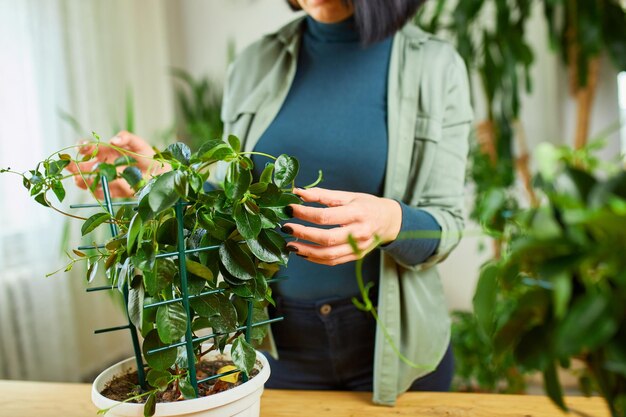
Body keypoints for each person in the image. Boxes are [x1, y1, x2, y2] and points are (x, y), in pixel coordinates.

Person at [69, 0, 473, 406]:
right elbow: (234, 211)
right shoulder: (254, 64)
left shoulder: (436, 68)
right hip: (275, 344)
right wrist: (156, 178)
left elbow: (448, 225)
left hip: (393, 346)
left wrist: (392, 221)